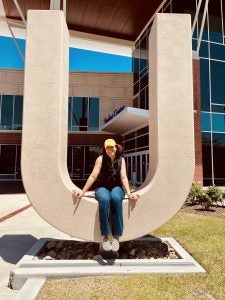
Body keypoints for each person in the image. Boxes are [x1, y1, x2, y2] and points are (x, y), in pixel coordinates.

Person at [73, 138, 139, 252]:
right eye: (107, 147)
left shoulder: (121, 160)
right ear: (104, 149)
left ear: (116, 147)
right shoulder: (100, 159)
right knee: (104, 199)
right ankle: (104, 236)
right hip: (102, 187)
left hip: (117, 187)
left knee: (116, 198)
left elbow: (123, 177)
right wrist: (82, 191)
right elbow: (93, 176)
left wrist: (128, 193)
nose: (110, 149)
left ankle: (116, 237)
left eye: (111, 147)